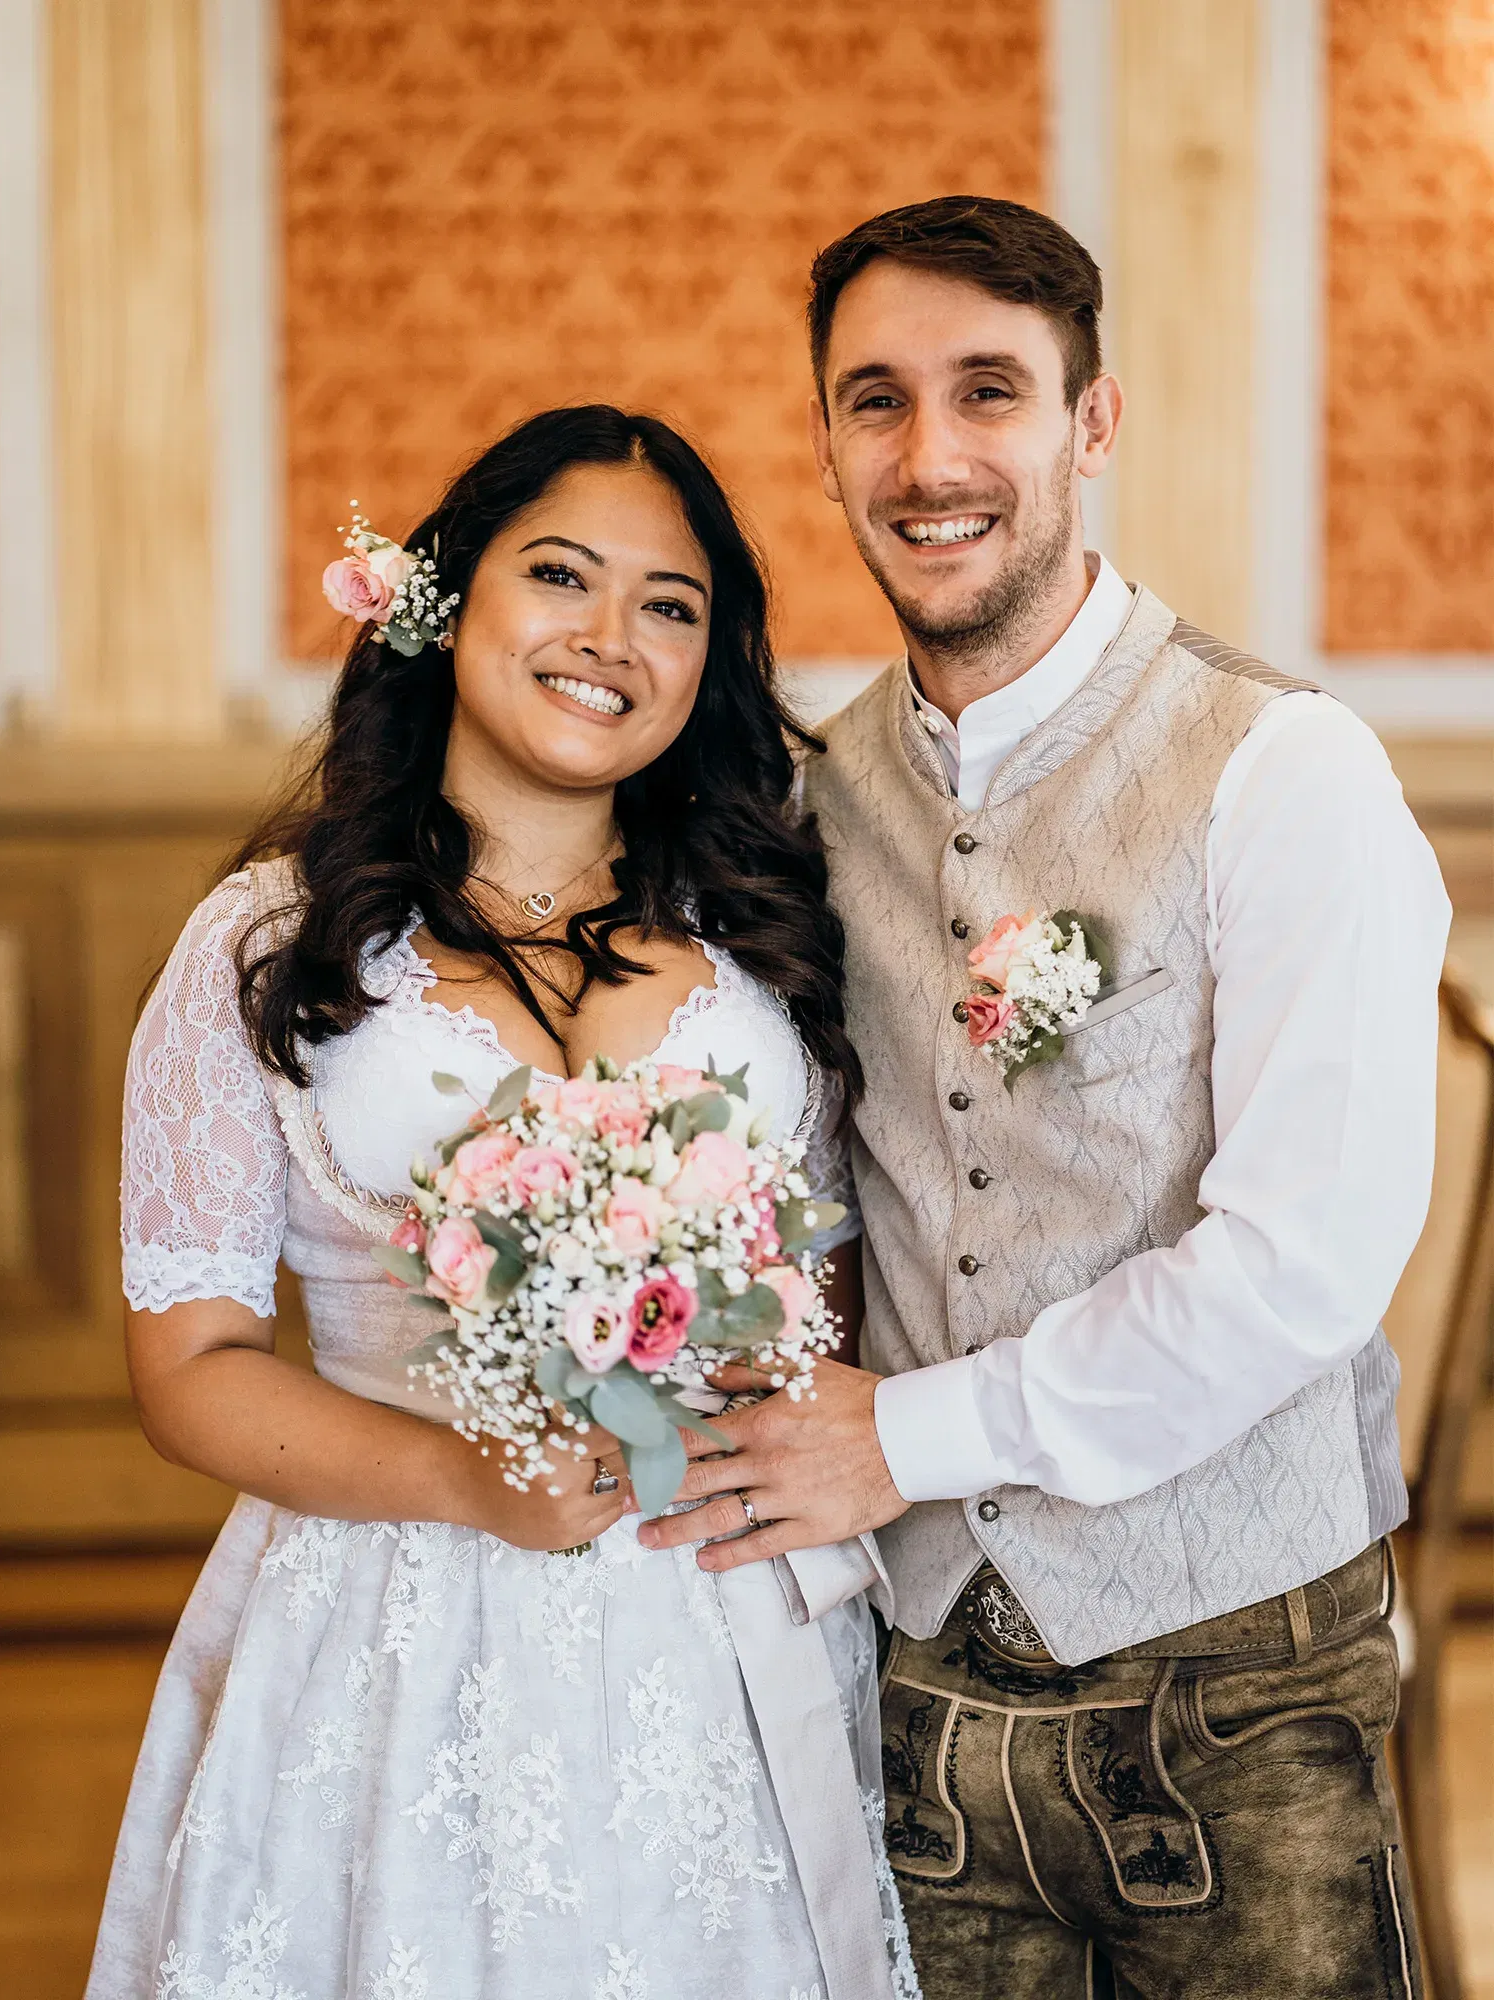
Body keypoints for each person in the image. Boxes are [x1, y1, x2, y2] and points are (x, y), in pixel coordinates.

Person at [639, 197, 1450, 1998]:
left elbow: (1305, 1265)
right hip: (913, 1686)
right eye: (876, 400)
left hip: (1235, 1697)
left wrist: (901, 1441)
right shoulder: (806, 801)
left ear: (1094, 423)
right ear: (826, 442)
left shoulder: (1283, 769)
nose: (929, 458)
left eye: (988, 391)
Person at [89, 406, 919, 2000]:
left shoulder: (767, 939)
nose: (610, 638)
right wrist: (467, 1481)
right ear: (444, 599)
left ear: (708, 663)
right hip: (393, 1615)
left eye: (669, 606)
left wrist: (753, 1369)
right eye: (559, 575)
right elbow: (189, 1367)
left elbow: (821, 1297)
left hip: (723, 1615)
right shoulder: (271, 947)